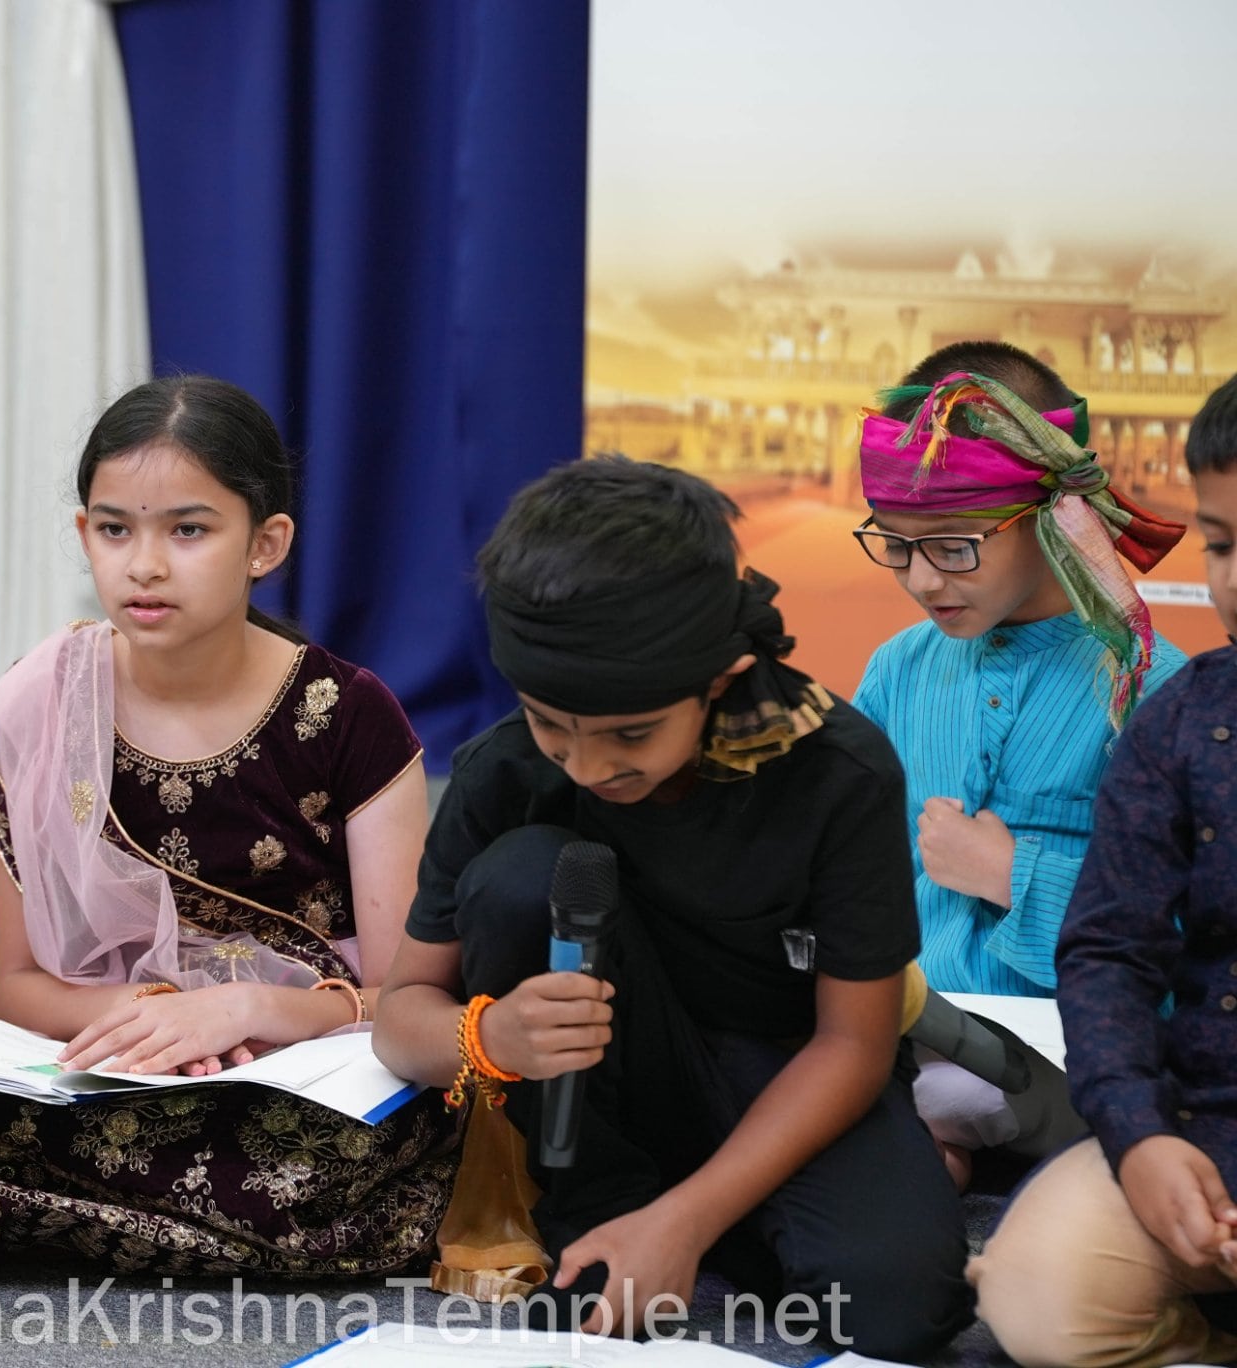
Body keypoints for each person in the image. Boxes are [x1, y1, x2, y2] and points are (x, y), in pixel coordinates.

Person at [0, 375, 456, 1283]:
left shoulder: (347, 716)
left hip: (299, 1071)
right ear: (83, 535)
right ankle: (116, 1221)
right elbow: (17, 987)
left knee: (310, 1167)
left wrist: (249, 1009)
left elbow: (406, 1001)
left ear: (266, 544)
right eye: (113, 529)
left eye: (188, 530)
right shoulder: (42, 697)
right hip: (105, 1066)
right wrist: (150, 1025)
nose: (143, 564)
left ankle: (26, 1217)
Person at [372, 456, 972, 1360]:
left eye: (632, 734)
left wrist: (689, 1219)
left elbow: (853, 1043)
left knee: (896, 1309)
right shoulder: (504, 768)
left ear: (722, 678)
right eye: (551, 724)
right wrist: (489, 1038)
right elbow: (399, 1014)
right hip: (604, 1101)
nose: (585, 764)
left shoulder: (838, 773)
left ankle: (702, 1220)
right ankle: (614, 1208)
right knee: (524, 875)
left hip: (789, 1076)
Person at [852, 342, 1185, 1184]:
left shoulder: (1152, 687)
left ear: (1050, 517)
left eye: (953, 547)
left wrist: (1012, 875)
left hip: (1086, 1059)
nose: (923, 580)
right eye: (894, 545)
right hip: (914, 1038)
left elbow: (1185, 935)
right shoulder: (899, 668)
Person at [968, 374, 1237, 1367]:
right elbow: (1106, 953)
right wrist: (1141, 1140)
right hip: (1204, 1134)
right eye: (1217, 543)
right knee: (1038, 1289)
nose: (1230, 583)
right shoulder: (1181, 721)